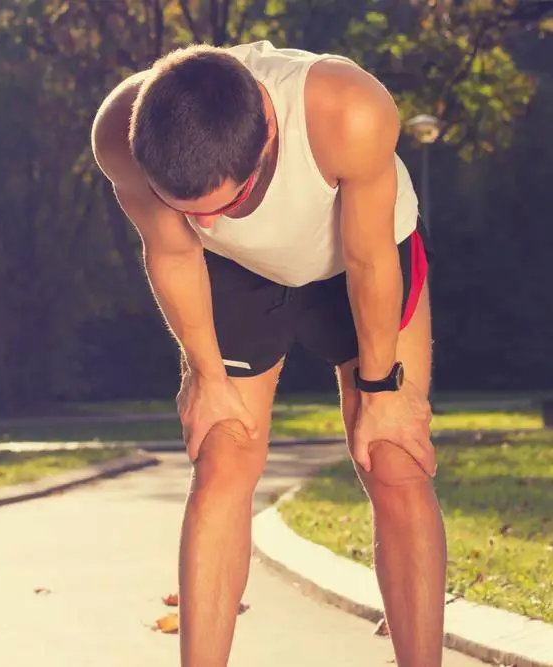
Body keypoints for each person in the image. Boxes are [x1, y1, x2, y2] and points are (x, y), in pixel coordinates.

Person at [90, 41, 445, 667]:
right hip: (232, 274)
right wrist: (205, 375)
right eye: (194, 212)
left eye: (229, 204)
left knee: (394, 459)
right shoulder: (120, 133)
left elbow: (368, 261)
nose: (215, 219)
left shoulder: (349, 110)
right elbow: (175, 254)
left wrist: (383, 392)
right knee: (223, 456)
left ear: (269, 128)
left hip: (359, 260)